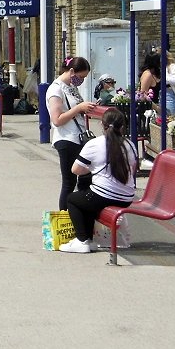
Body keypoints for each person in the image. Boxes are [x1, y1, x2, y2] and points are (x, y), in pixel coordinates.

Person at [60, 107, 139, 253]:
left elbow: (76, 170)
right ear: (122, 127)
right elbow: (132, 169)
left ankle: (82, 240)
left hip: (104, 196)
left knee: (72, 199)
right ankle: (88, 240)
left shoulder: (94, 144)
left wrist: (93, 169)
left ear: (102, 125)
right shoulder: (130, 145)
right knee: (86, 197)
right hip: (126, 197)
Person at [45, 55, 96, 211]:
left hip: (78, 138)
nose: (82, 80)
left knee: (86, 178)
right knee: (69, 182)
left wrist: (86, 108)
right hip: (66, 139)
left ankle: (79, 215)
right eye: (81, 77)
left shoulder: (71, 87)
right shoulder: (56, 89)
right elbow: (57, 120)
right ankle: (64, 219)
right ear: (72, 71)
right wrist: (79, 109)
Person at [162, 51, 175, 115]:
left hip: (169, 91)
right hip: (161, 92)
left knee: (169, 115)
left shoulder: (172, 67)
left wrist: (164, 78)